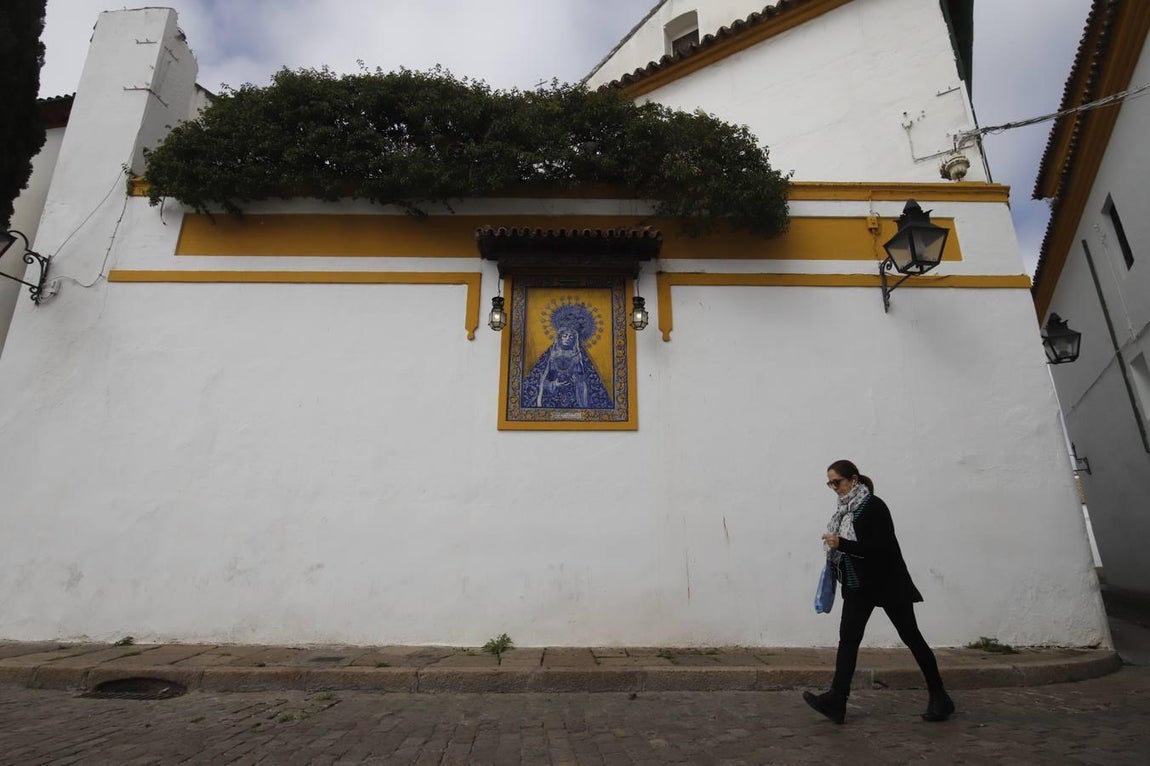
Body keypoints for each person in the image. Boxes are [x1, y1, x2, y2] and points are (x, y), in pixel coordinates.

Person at [803, 459, 955, 724]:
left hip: (887, 585)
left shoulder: (874, 506)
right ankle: (837, 700)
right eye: (830, 483)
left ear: (853, 479)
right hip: (857, 587)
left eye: (837, 482)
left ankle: (940, 696)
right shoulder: (843, 511)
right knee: (848, 641)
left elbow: (881, 549)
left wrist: (843, 544)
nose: (834, 488)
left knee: (912, 637)